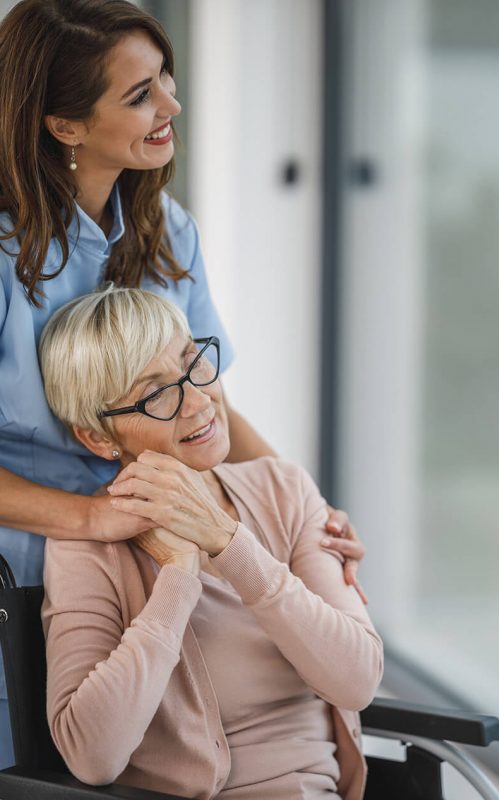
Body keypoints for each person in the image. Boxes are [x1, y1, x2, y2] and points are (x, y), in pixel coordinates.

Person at [0, 0, 364, 768]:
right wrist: (96, 521)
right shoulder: (4, 261)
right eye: (138, 95)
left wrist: (307, 510)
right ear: (63, 125)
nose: (170, 103)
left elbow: (206, 398)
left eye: (165, 77)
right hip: (40, 565)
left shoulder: (167, 228)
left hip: (163, 545)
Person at [38, 285, 382, 800]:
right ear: (98, 437)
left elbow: (357, 679)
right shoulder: (86, 549)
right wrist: (177, 575)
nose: (200, 401)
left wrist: (226, 543)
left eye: (195, 363)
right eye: (156, 393)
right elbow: (91, 755)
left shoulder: (283, 489)